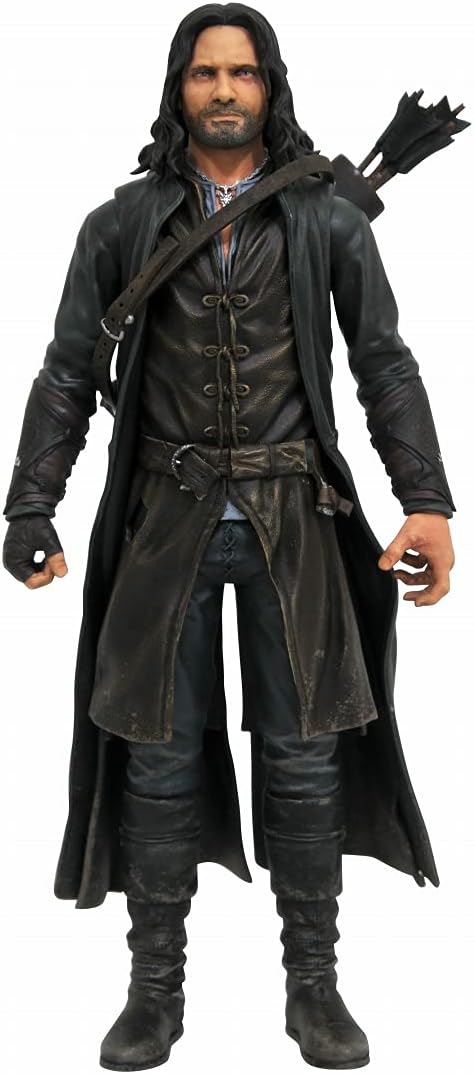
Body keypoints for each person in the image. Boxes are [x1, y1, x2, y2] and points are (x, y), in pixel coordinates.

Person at [2, 4, 456, 1071]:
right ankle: (154, 991)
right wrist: (30, 505)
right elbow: (68, 370)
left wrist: (426, 499)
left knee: (305, 757)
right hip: (165, 520)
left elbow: (384, 363)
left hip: (296, 519)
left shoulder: (326, 219)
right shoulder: (120, 223)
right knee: (155, 754)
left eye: (242, 73)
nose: (222, 90)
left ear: (269, 87)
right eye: (204, 72)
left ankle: (314, 986)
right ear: (179, 87)